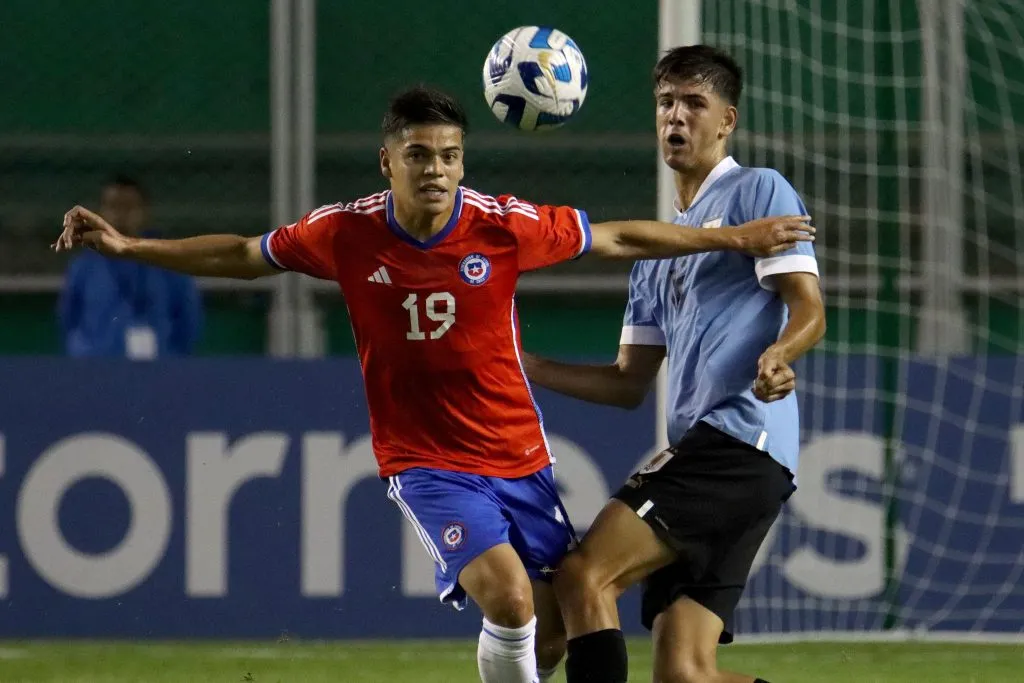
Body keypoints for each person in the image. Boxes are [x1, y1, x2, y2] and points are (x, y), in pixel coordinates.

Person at [53, 86, 814, 683]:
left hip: (520, 460)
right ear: (389, 163)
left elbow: (618, 236)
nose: (439, 170)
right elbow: (242, 254)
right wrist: (128, 246)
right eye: (420, 154)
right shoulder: (345, 232)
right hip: (427, 463)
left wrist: (731, 238)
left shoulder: (499, 224)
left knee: (556, 623)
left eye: (451, 154)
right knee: (513, 598)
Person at [524, 46, 826, 683]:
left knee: (583, 574)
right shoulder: (657, 253)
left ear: (727, 121)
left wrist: (781, 352)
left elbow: (809, 308)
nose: (676, 117)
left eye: (695, 103)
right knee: (685, 674)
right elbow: (628, 383)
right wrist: (526, 366)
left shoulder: (757, 191)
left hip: (741, 443)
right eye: (666, 103)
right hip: (727, 456)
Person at [58, 175, 202, 359]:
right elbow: (69, 319)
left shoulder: (169, 263)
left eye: (129, 206)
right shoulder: (83, 267)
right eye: (113, 206)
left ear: (144, 212)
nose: (121, 214)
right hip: (97, 371)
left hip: (158, 370)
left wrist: (172, 358)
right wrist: (84, 355)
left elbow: (188, 320)